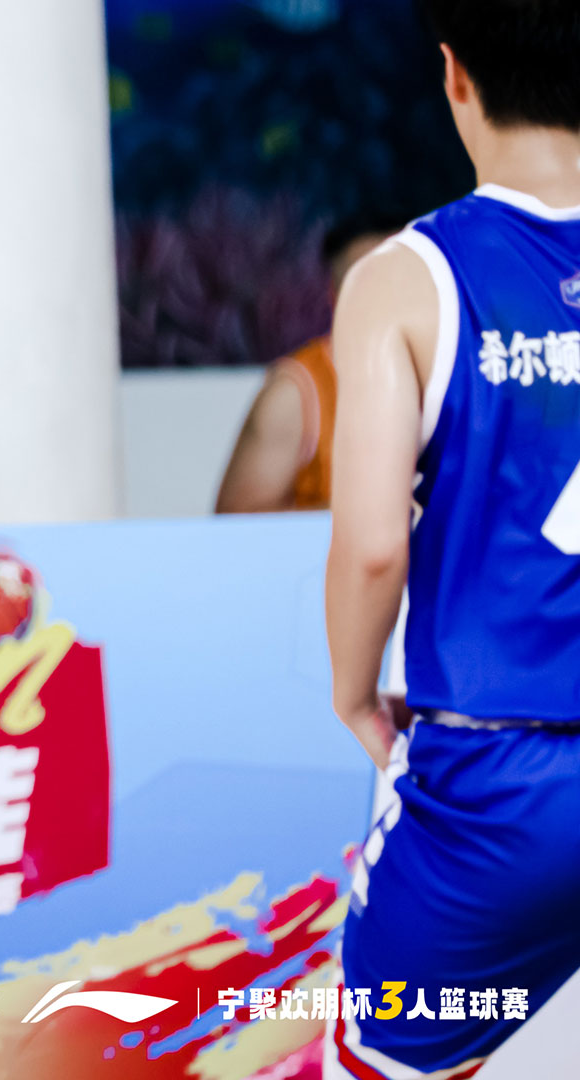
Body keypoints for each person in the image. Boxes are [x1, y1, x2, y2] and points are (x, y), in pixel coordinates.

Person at [325, 1, 580, 1075]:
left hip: (499, 778)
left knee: (387, 1057)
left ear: (454, 76)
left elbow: (374, 544)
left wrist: (353, 693)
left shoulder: (406, 278)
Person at [215, 216, 402, 513]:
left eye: (401, 280)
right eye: (368, 282)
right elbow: (238, 525)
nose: (388, 296)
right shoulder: (296, 393)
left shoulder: (463, 372)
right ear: (335, 294)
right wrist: (371, 515)